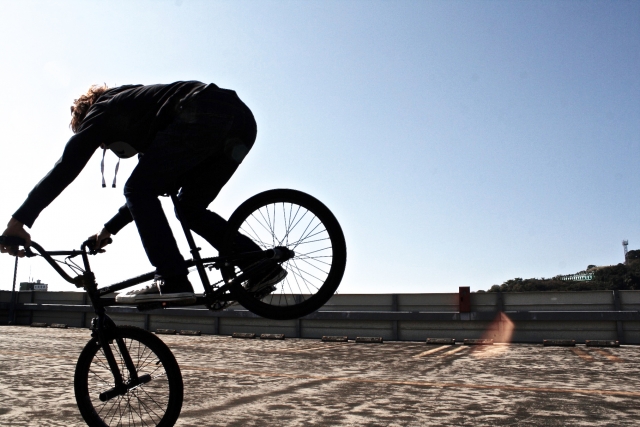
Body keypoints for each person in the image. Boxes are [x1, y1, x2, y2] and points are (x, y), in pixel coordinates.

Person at [0, 81, 285, 304]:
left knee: (137, 187)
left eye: (100, 143)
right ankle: (258, 265)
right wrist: (109, 229)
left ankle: (172, 279)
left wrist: (20, 220)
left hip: (203, 113)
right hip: (241, 123)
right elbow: (147, 192)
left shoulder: (103, 109)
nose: (105, 147)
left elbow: (67, 167)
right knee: (189, 207)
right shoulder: (143, 111)